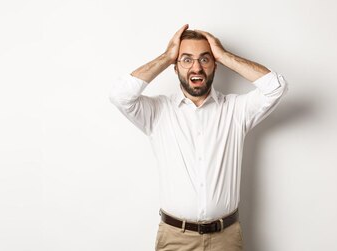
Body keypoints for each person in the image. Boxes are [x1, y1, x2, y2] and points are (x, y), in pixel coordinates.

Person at [108, 24, 288, 251]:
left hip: (226, 239)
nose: (197, 67)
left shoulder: (236, 109)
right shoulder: (156, 111)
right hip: (175, 239)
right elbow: (119, 95)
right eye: (186, 60)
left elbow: (276, 87)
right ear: (175, 68)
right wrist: (166, 57)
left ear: (215, 65)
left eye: (205, 59)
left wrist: (224, 55)